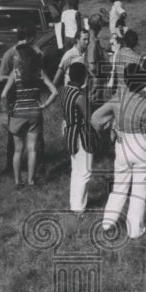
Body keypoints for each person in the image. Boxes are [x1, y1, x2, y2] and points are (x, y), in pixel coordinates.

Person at [91, 63, 146, 239]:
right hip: (142, 146)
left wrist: (111, 127)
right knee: (140, 189)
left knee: (119, 186)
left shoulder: (117, 98)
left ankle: (108, 222)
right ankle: (135, 229)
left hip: (122, 145)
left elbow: (96, 117)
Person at [0, 44, 59, 187]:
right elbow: (55, 92)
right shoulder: (39, 72)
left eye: (17, 55)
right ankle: (31, 181)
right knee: (32, 148)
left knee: (18, 150)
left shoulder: (15, 73)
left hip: (18, 112)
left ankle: (17, 181)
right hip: (34, 111)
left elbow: (3, 95)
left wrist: (7, 110)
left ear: (20, 57)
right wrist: (44, 105)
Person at [60, 62, 98, 215]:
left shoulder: (65, 90)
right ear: (83, 76)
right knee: (85, 171)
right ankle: (79, 208)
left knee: (76, 170)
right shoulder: (79, 96)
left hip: (69, 132)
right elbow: (90, 117)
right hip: (81, 135)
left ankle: (74, 203)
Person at [108, 28, 141, 96]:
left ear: (124, 41)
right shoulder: (137, 58)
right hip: (130, 94)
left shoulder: (116, 55)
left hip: (118, 93)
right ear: (136, 43)